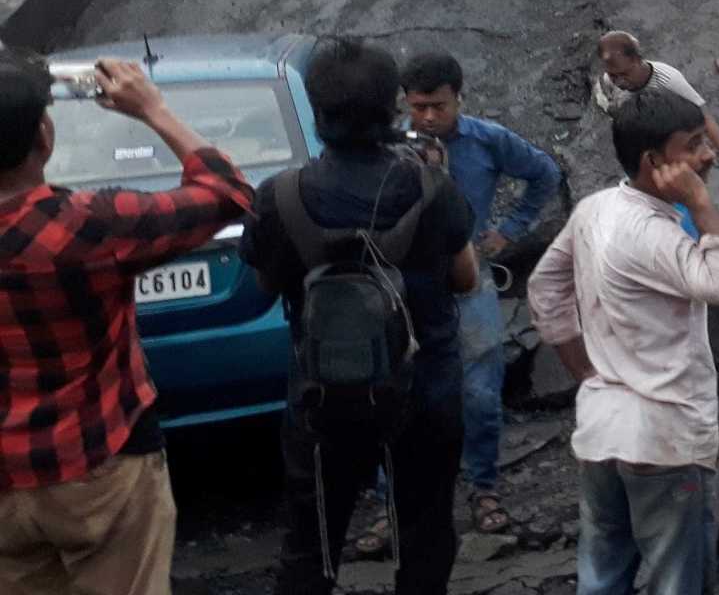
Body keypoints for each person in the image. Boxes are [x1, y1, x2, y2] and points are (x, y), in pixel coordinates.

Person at [0, 54, 254, 594]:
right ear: (44, 137)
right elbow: (229, 191)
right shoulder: (89, 225)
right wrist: (154, 110)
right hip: (97, 467)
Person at [241, 39, 479, 595]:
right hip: (425, 391)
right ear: (392, 112)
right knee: (424, 538)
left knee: (310, 546)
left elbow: (265, 283)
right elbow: (466, 279)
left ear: (317, 114)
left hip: (324, 399)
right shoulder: (430, 187)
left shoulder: (282, 197)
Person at [528, 88, 719, 595]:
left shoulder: (596, 209)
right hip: (665, 442)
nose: (708, 155)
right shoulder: (654, 235)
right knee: (677, 581)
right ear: (655, 161)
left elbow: (545, 289)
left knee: (603, 575)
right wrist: (703, 203)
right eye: (694, 145)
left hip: (603, 431)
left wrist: (584, 370)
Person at [399, 52, 561, 541]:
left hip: (471, 282)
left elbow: (545, 174)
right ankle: (398, 503)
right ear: (404, 102)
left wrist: (508, 231)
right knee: (404, 395)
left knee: (481, 394)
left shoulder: (487, 141)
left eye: (439, 106)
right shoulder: (390, 149)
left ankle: (484, 488)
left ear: (458, 99)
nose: (428, 117)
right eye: (419, 106)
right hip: (404, 286)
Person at [590, 32, 719, 174]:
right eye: (613, 75)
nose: (619, 82)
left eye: (624, 74)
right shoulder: (609, 81)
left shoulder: (669, 80)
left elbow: (705, 119)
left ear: (638, 59)